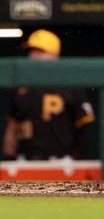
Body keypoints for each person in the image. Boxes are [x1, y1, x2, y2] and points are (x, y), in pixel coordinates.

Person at [2, 30, 97, 161]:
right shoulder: (21, 86)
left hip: (62, 160)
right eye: (31, 51)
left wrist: (80, 159)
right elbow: (12, 127)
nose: (34, 56)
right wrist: (9, 153)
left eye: (40, 51)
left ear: (55, 55)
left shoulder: (69, 84)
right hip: (25, 160)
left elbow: (85, 128)